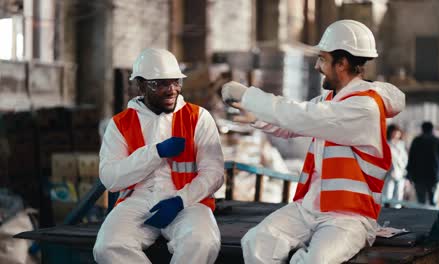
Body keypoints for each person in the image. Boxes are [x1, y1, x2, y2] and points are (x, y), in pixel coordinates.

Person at [222, 19, 405, 264]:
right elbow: (295, 123)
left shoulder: (363, 108)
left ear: (341, 64)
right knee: (257, 241)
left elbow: (302, 116)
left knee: (314, 261)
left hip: (347, 216)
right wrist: (255, 117)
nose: (318, 66)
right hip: (310, 207)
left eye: (323, 59)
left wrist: (249, 96)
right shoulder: (333, 100)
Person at [93, 48, 224, 264]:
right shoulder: (120, 124)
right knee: (108, 247)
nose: (171, 90)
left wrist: (180, 200)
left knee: (202, 241)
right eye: (161, 84)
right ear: (141, 85)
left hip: (187, 200)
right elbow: (110, 178)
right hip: (138, 201)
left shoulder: (198, 118)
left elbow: (214, 173)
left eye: (175, 82)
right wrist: (156, 153)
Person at [407, 121, 439, 206]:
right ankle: (433, 218)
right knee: (433, 202)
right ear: (432, 129)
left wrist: (409, 175)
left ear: (422, 129)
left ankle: (422, 218)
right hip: (434, 175)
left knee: (421, 202)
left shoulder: (416, 140)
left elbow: (411, 159)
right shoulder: (438, 141)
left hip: (418, 176)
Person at [383, 124, 408, 208]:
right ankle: (386, 211)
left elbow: (405, 158)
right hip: (390, 173)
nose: (396, 135)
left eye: (397, 133)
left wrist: (404, 171)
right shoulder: (387, 144)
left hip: (401, 173)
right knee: (388, 194)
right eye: (394, 132)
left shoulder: (402, 144)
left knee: (399, 195)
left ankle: (396, 212)